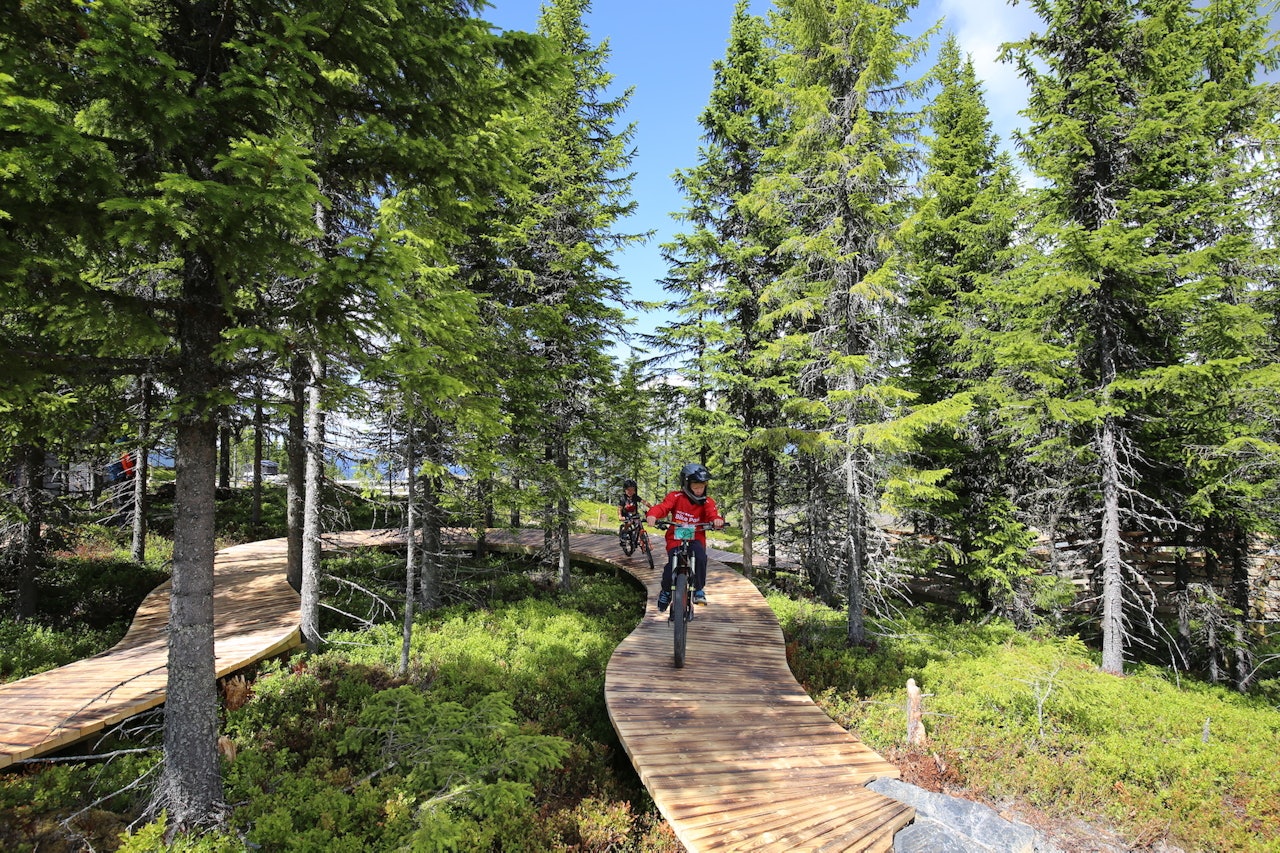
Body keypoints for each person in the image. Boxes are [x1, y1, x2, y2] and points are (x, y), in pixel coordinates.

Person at [645, 463, 725, 611]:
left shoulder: (707, 501)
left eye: (702, 486)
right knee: (671, 564)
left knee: (700, 558)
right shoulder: (676, 497)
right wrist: (652, 514)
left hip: (695, 538)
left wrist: (716, 520)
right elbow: (663, 507)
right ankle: (666, 591)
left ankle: (698, 589)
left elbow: (712, 514)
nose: (699, 490)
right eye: (695, 487)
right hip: (676, 538)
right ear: (687, 485)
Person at [617, 478, 649, 548]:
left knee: (639, 524)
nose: (630, 492)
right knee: (629, 522)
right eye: (628, 490)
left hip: (634, 514)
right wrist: (620, 516)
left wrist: (652, 507)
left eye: (632, 490)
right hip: (626, 515)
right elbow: (619, 508)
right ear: (625, 490)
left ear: (634, 490)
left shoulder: (635, 497)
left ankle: (640, 539)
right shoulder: (623, 498)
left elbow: (644, 502)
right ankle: (624, 533)